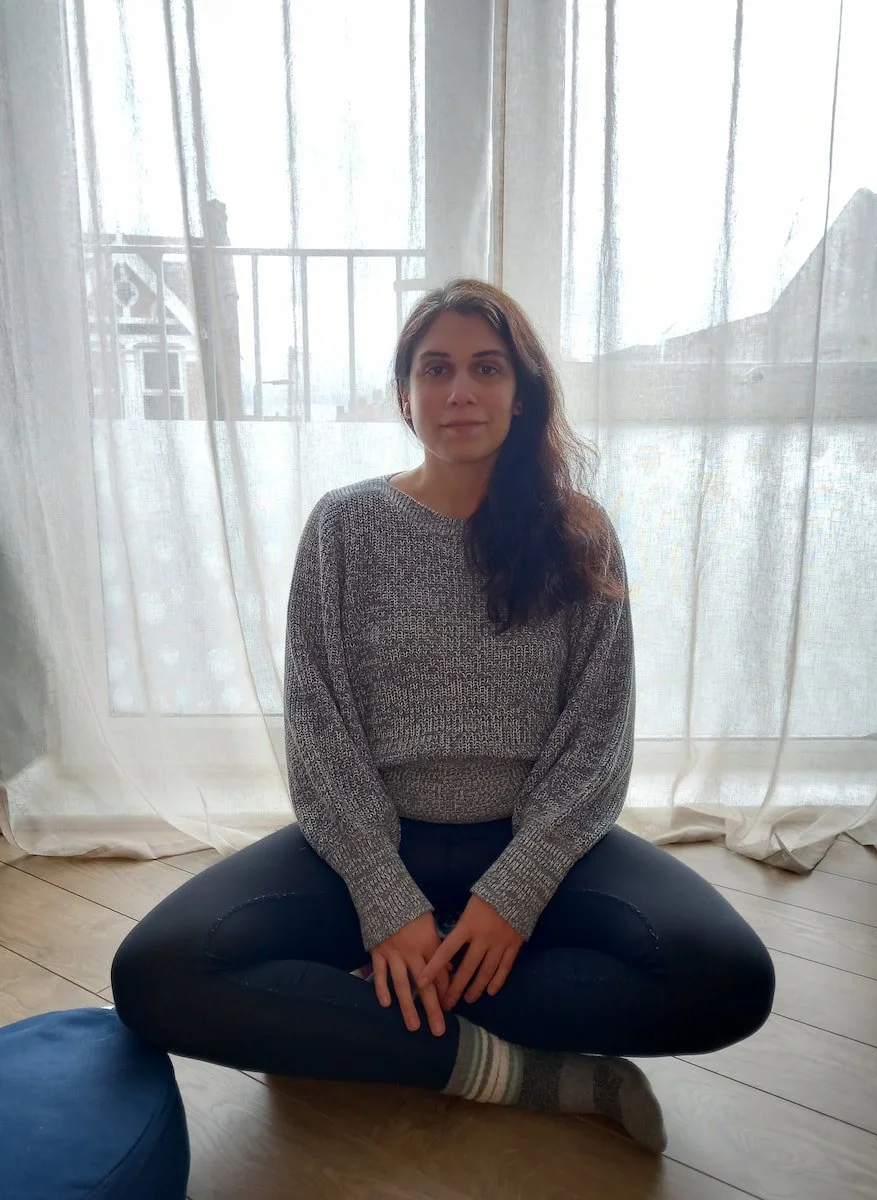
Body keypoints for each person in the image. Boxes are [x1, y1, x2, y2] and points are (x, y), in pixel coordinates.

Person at [111, 278, 775, 1156]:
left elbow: (598, 740)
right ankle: (534, 1074)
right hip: (367, 845)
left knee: (729, 978)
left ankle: (340, 1014)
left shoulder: (580, 533)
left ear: (522, 391)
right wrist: (387, 900)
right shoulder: (345, 526)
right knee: (153, 975)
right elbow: (318, 730)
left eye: (486, 368)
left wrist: (514, 894)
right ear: (405, 395)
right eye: (436, 369)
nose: (460, 391)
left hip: (536, 843)